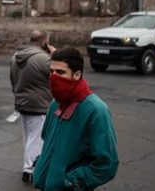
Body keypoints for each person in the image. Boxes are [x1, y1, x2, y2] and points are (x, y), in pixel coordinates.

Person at [33, 48, 119, 191]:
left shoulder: (96, 110)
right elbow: (48, 141)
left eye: (60, 72)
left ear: (77, 74)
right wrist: (40, 165)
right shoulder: (55, 104)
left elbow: (106, 165)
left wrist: (69, 181)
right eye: (51, 71)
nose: (54, 77)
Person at [8, 30, 54, 184]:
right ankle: (30, 170)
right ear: (44, 42)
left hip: (22, 103)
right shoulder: (43, 58)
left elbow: (13, 80)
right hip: (39, 104)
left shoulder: (15, 56)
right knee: (36, 139)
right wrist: (54, 54)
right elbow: (59, 73)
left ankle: (29, 167)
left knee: (29, 137)